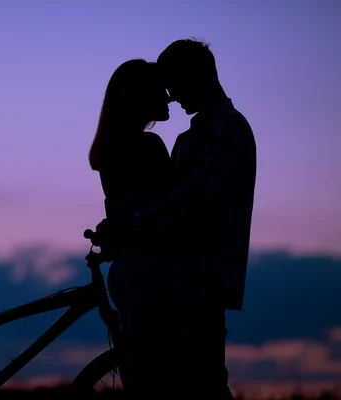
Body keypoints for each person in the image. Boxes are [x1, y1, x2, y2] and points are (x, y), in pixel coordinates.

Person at [102, 39, 257, 399]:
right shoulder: (192, 137)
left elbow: (191, 202)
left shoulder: (227, 129)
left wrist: (126, 228)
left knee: (204, 385)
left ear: (198, 76)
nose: (171, 96)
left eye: (175, 84)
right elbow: (174, 204)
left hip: (204, 279)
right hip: (179, 281)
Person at [88, 59, 189, 398]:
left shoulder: (109, 153)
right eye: (160, 89)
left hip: (128, 271)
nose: (170, 96)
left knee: (142, 377)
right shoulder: (149, 147)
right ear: (141, 96)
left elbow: (124, 212)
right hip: (156, 272)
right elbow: (173, 210)